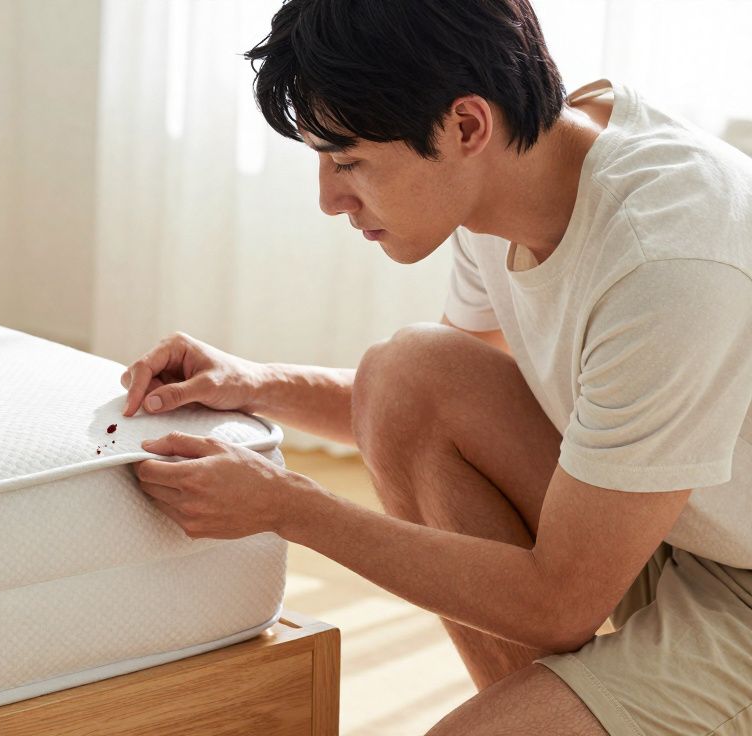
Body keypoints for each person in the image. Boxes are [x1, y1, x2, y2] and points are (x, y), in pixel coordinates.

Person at [122, 1, 752, 733]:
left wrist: (289, 506)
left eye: (349, 160)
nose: (329, 199)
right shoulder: (511, 180)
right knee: (410, 373)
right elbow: (436, 408)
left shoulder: (666, 258)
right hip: (675, 527)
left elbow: (559, 605)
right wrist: (257, 383)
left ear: (464, 126)